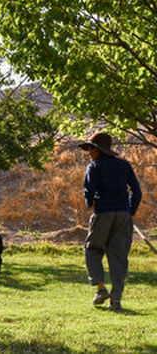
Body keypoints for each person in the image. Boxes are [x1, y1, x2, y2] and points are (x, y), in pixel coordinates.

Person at [79, 132, 141, 311]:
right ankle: (116, 301)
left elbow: (89, 190)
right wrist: (130, 211)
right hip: (123, 215)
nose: (89, 152)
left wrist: (90, 203)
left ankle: (100, 289)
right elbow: (137, 192)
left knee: (92, 249)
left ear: (98, 150)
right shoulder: (124, 166)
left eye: (91, 149)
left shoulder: (94, 166)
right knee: (118, 257)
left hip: (103, 213)